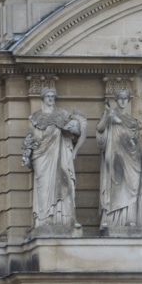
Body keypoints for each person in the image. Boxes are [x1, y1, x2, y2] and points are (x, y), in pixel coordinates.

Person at [22, 87, 86, 229]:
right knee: (43, 188)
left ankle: (64, 219)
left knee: (64, 184)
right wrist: (29, 148)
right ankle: (44, 219)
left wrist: (72, 128)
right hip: (42, 157)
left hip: (60, 155)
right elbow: (32, 138)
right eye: (48, 96)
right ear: (43, 98)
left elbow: (77, 132)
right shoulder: (35, 117)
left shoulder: (62, 114)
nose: (51, 99)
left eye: (52, 96)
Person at [97, 90, 142, 230]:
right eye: (120, 98)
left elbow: (137, 142)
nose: (123, 101)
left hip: (132, 158)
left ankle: (130, 220)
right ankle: (111, 220)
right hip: (116, 155)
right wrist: (106, 114)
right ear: (116, 100)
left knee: (131, 188)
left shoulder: (132, 121)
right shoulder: (111, 114)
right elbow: (100, 129)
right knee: (115, 185)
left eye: (125, 99)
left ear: (128, 100)